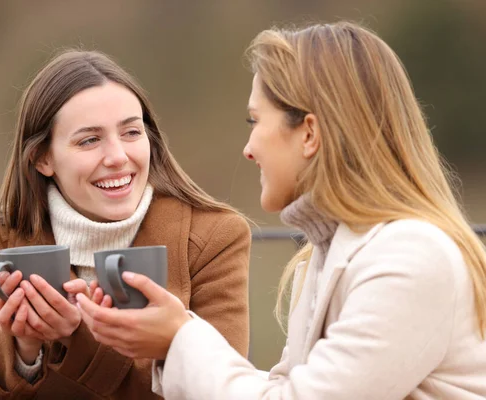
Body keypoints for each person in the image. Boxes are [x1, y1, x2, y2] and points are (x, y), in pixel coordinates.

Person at [77, 21, 486, 399]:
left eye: (255, 120)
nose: (248, 148)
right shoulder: (330, 251)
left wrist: (179, 336)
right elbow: (284, 389)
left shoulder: (409, 259)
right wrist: (176, 334)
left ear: (309, 133)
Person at [0, 50, 251, 399]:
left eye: (131, 132)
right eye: (90, 140)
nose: (118, 156)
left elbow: (221, 392)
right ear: (43, 158)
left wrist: (78, 337)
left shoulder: (214, 236)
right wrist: (22, 348)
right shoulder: (2, 234)